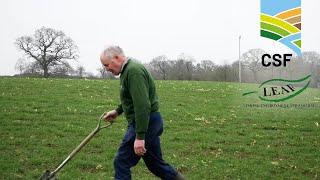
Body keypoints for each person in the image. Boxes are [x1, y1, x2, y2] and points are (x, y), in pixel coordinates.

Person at [100, 46, 185, 180]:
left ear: (116, 57)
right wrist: (117, 111)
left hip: (145, 122)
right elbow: (134, 99)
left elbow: (143, 105)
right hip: (149, 121)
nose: (106, 69)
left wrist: (140, 137)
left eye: (107, 65)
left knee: (121, 162)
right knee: (156, 164)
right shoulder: (128, 70)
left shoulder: (133, 71)